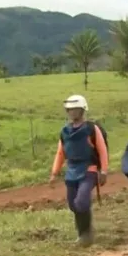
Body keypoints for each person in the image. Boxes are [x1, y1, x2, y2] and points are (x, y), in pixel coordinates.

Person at [49, 94, 109, 246]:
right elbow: (61, 153)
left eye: (75, 109)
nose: (72, 112)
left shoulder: (91, 129)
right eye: (70, 109)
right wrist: (54, 173)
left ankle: (86, 234)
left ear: (82, 110)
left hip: (89, 169)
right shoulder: (65, 131)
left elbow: (102, 150)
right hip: (71, 171)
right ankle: (83, 233)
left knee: (81, 201)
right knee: (73, 204)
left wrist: (103, 171)